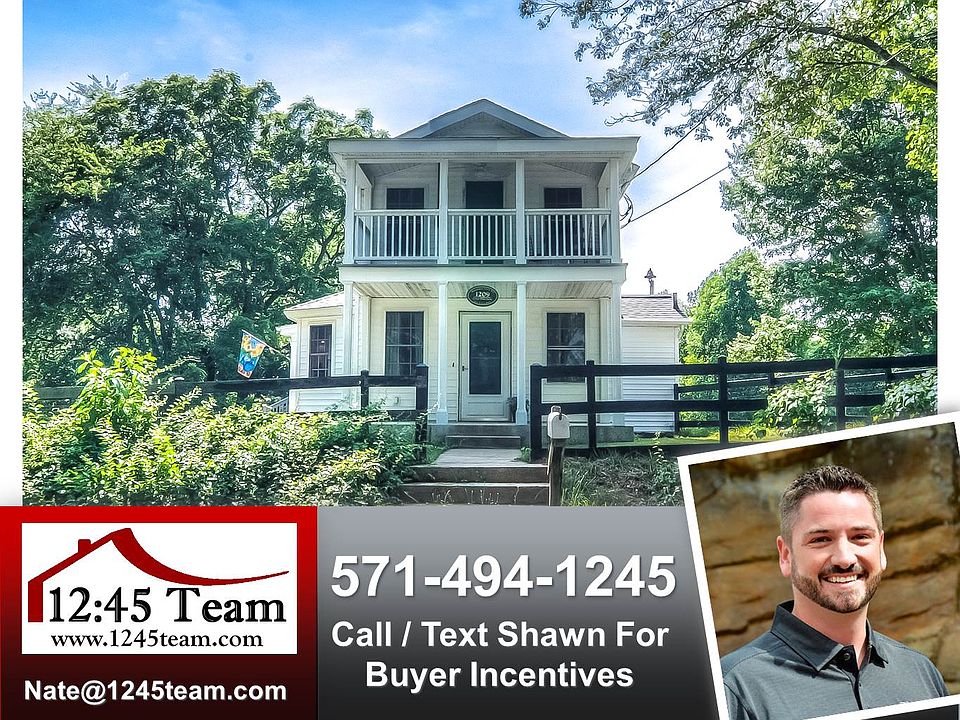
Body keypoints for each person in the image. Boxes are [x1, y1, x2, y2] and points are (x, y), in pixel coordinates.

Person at [721, 465, 949, 720]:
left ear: (881, 548)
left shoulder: (921, 673)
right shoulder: (734, 688)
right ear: (786, 555)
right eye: (821, 539)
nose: (844, 558)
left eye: (860, 536)